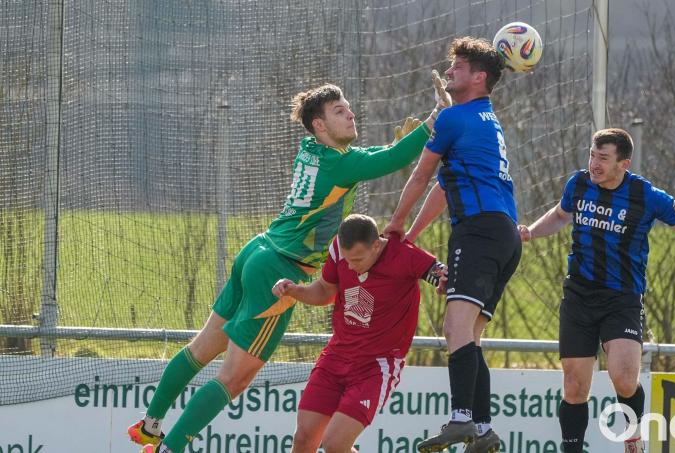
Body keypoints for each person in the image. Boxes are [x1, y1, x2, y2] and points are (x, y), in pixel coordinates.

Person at [127, 78, 451, 453]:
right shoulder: (344, 165)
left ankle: (151, 425)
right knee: (233, 379)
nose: (350, 114)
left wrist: (393, 145)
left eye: (347, 108)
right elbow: (390, 160)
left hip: (256, 251)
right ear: (319, 125)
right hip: (279, 270)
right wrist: (433, 121)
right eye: (338, 111)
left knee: (201, 348)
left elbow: (360, 160)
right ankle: (170, 449)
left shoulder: (311, 150)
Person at [518, 128, 675, 453]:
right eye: (592, 155)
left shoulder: (646, 196)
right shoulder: (577, 184)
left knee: (623, 379)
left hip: (622, 298)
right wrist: (532, 232)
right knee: (575, 384)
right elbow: (561, 214)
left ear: (624, 163)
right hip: (578, 296)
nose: (594, 164)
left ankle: (633, 436)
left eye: (603, 158)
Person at [384, 37, 521, 453]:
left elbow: (421, 175)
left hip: (478, 232)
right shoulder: (482, 119)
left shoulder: (453, 119)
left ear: (479, 77)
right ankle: (482, 429)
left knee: (454, 329)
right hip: (505, 236)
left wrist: (394, 225)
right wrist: (413, 234)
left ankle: (460, 419)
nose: (448, 72)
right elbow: (445, 185)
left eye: (457, 66)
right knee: (471, 339)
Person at [272, 214, 446, 453]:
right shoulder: (338, 249)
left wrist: (448, 283)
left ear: (377, 245)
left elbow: (443, 276)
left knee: (335, 444)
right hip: (336, 357)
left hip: (375, 366)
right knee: (303, 439)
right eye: (347, 260)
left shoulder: (405, 255)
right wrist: (294, 290)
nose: (351, 266)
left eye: (357, 260)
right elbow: (324, 291)